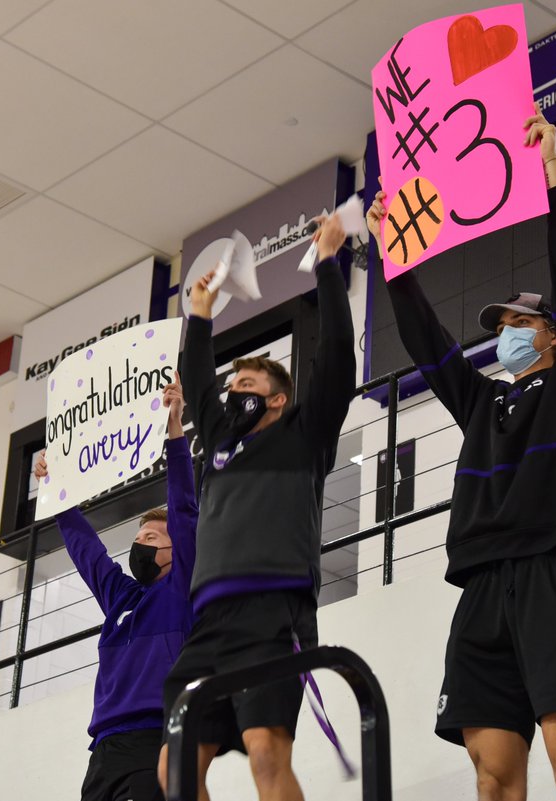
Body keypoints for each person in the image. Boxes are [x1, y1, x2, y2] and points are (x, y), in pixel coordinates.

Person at [367, 106, 556, 801]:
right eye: (501, 324)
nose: (506, 331)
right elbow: (427, 341)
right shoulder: (481, 401)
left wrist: (552, 173)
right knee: (492, 777)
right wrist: (393, 255)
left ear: (554, 335)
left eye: (520, 321)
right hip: (481, 590)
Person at [156, 211, 356, 801]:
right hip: (210, 623)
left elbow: (338, 357)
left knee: (267, 755)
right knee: (175, 770)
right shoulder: (219, 442)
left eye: (248, 385)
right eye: (231, 386)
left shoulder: (305, 435)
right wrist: (198, 314)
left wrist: (326, 265)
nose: (235, 392)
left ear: (280, 398)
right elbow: (195, 373)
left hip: (275, 614)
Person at [33, 375, 195, 801]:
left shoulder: (182, 590)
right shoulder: (121, 598)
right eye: (139, 538)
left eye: (154, 539)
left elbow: (183, 505)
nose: (141, 544)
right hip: (103, 749)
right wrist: (53, 490)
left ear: (177, 551)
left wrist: (174, 429)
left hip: (156, 739)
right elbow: (86, 549)